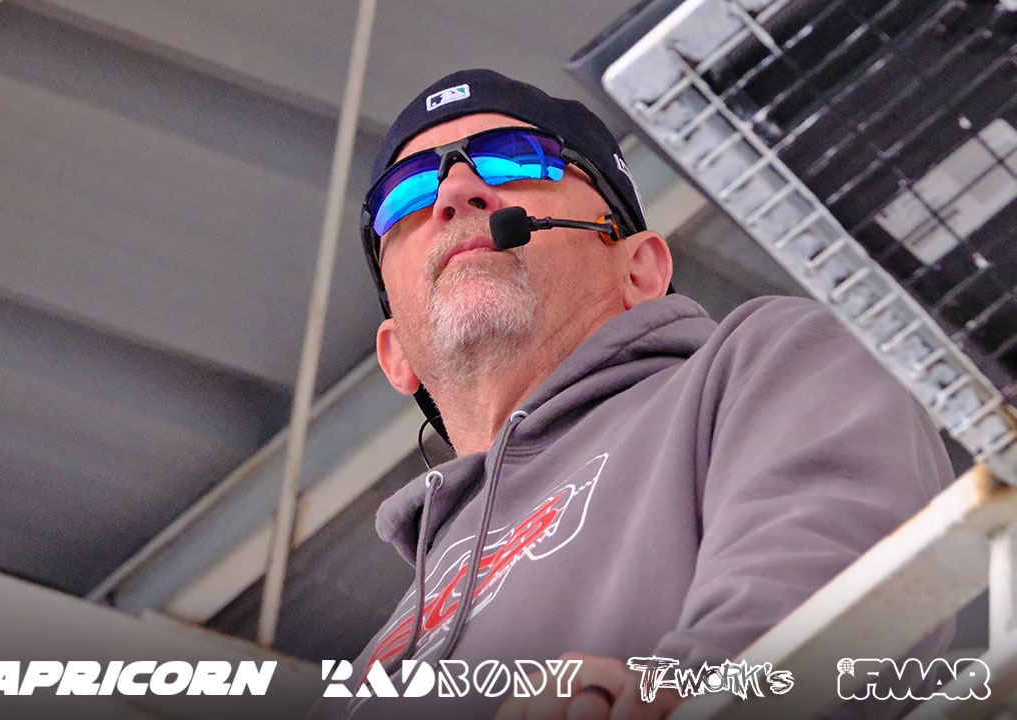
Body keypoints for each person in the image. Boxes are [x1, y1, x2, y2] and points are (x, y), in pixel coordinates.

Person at [306, 68, 954, 720]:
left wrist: (679, 696)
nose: (455, 192)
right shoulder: (365, 673)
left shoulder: (762, 363)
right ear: (396, 354)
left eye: (512, 158)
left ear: (641, 269)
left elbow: (844, 593)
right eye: (409, 192)